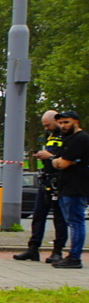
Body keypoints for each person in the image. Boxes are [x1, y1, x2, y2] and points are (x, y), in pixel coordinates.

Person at [14, 110, 68, 262]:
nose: (46, 128)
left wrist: (50, 156)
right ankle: (33, 249)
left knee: (59, 219)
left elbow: (68, 157)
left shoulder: (67, 136)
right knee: (38, 216)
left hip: (60, 182)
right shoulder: (49, 136)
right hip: (46, 182)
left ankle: (57, 252)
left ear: (57, 121)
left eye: (48, 125)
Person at [49, 110, 89, 269]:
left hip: (76, 187)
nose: (63, 126)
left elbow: (62, 164)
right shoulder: (68, 139)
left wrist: (60, 161)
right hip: (67, 186)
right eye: (60, 123)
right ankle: (73, 255)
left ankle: (74, 257)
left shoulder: (80, 139)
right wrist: (60, 161)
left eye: (66, 122)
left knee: (76, 222)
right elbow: (57, 161)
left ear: (76, 122)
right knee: (72, 221)